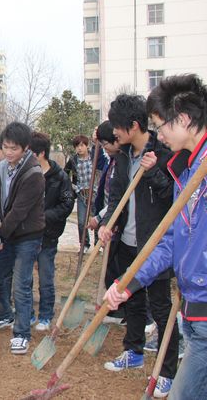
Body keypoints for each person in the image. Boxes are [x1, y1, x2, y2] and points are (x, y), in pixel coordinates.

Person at [104, 74, 207, 400]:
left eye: (161, 125)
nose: (158, 133)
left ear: (186, 120)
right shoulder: (188, 171)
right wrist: (129, 284)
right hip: (192, 309)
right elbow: (172, 238)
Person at [98, 94, 179, 397]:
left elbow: (175, 196)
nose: (113, 132)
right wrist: (109, 224)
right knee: (131, 301)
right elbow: (117, 196)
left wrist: (155, 171)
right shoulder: (121, 156)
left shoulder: (165, 150)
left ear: (133, 125)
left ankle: (167, 370)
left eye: (118, 127)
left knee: (160, 309)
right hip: (127, 241)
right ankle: (133, 351)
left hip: (155, 245)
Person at [0, 122, 45, 355]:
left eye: (14, 149)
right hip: (10, 233)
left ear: (25, 147)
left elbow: (19, 212)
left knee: (21, 284)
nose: (8, 153)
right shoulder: (2, 167)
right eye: (5, 147)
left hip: (28, 235)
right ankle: (4, 315)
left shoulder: (33, 174)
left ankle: (21, 334)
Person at [29, 132, 75, 331]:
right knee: (24, 277)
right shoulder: (27, 174)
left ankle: (46, 315)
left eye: (28, 152)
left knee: (46, 276)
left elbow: (66, 204)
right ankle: (27, 313)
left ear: (40, 153)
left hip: (48, 235)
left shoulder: (59, 177)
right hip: (27, 235)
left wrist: (44, 216)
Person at [88, 121, 126, 325]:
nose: (104, 148)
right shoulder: (111, 160)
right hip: (109, 219)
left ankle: (121, 312)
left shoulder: (123, 161)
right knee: (111, 266)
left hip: (117, 221)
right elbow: (100, 164)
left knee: (119, 268)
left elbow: (118, 198)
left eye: (105, 144)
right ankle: (114, 311)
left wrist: (101, 218)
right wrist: (96, 145)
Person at [64, 135, 96, 253]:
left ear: (87, 146)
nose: (79, 148)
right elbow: (64, 174)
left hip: (95, 193)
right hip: (81, 193)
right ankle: (84, 244)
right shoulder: (73, 160)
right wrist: (73, 187)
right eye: (77, 146)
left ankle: (98, 244)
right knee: (82, 221)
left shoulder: (94, 157)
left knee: (97, 218)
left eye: (82, 145)